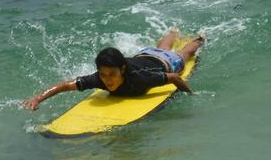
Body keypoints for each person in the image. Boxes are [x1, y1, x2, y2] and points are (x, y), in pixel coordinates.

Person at [22, 29, 204, 111]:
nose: (107, 80)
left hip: (166, 62)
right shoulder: (100, 78)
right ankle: (173, 33)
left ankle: (200, 38)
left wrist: (190, 94)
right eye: (103, 75)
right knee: (161, 46)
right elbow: (65, 85)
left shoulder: (140, 78)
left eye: (112, 75)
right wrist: (38, 98)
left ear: (122, 70)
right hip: (144, 55)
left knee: (185, 52)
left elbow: (173, 77)